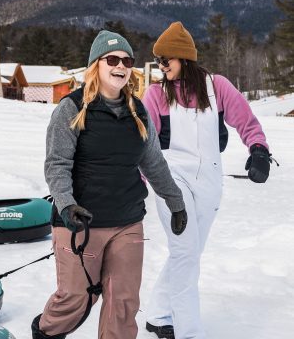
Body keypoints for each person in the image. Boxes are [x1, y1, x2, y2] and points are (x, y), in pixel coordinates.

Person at [33, 30, 188, 339]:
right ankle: (46, 333)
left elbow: (154, 163)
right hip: (79, 221)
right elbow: (57, 165)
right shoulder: (71, 108)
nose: (121, 66)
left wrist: (176, 201)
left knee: (123, 302)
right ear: (96, 65)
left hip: (127, 221)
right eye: (113, 59)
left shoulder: (138, 111)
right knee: (75, 298)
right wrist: (66, 204)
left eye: (127, 60)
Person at [143, 22, 272, 339]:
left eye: (166, 59)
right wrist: (138, 181)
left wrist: (259, 150)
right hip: (170, 182)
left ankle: (159, 314)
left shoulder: (217, 87)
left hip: (210, 183)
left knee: (186, 254)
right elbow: (141, 142)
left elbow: (246, 120)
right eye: (158, 60)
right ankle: (189, 333)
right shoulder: (156, 95)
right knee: (185, 254)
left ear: (184, 57)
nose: (161, 66)